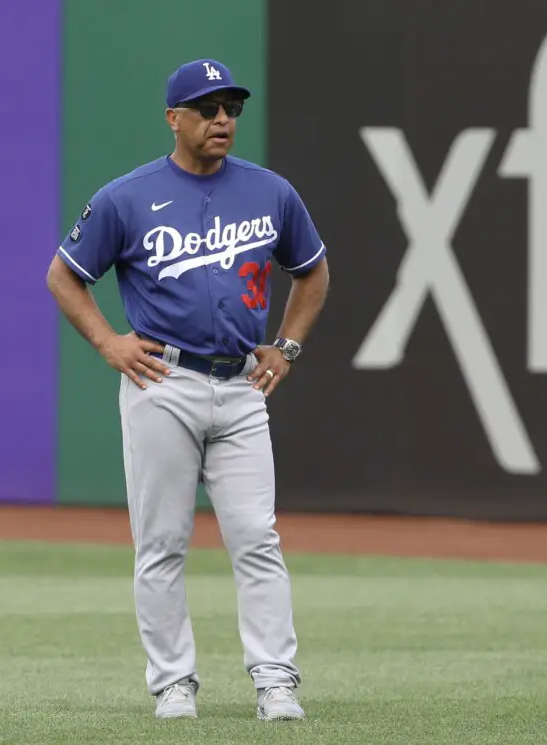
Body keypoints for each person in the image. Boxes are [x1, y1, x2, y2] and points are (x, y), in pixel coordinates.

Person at [46, 58, 330, 721]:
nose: (223, 119)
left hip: (240, 386)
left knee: (257, 537)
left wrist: (286, 346)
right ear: (174, 119)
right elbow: (64, 274)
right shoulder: (128, 195)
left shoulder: (270, 193)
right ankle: (173, 681)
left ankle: (275, 679)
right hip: (161, 381)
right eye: (207, 109)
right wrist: (106, 341)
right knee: (162, 543)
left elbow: (313, 272)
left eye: (231, 107)